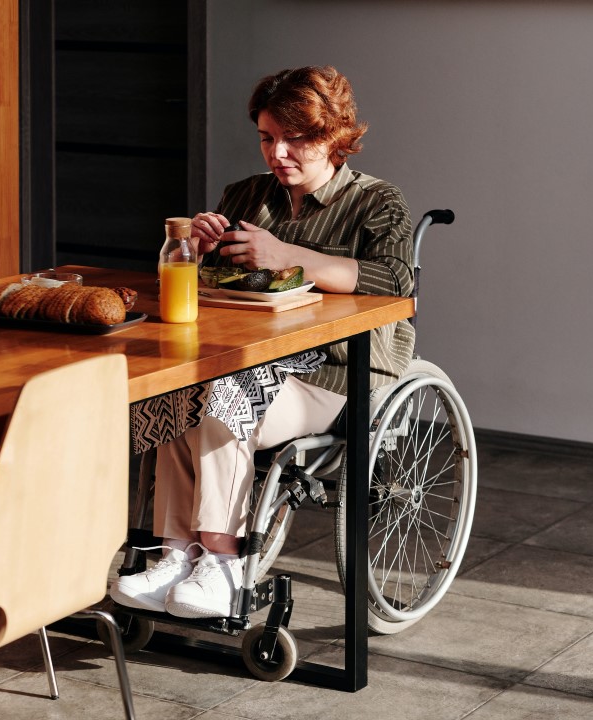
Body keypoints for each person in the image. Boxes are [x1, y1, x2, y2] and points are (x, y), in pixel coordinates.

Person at [111, 66, 415, 619]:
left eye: (297, 138)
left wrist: (290, 257)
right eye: (268, 138)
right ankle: (177, 556)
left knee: (219, 401)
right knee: (177, 395)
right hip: (251, 356)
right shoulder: (247, 196)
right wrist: (198, 253)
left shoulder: (376, 202)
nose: (279, 153)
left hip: (338, 371)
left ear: (335, 135)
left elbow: (394, 282)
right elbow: (217, 292)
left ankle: (223, 564)